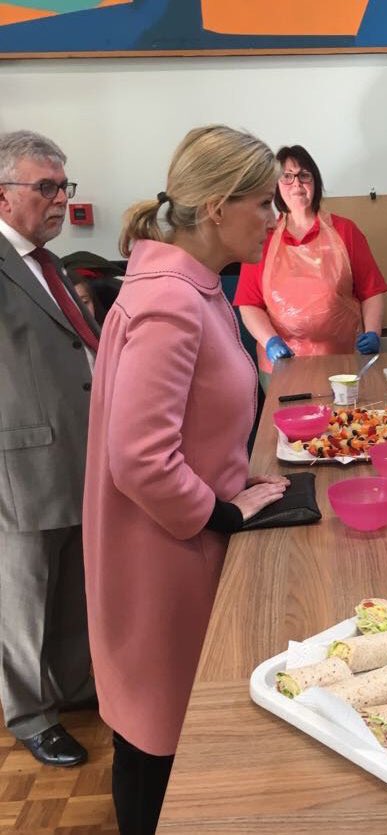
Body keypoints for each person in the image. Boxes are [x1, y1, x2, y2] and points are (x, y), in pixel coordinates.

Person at [82, 125, 289, 834]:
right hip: (162, 558)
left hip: (178, 542)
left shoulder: (192, 285)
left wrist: (241, 474)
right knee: (156, 743)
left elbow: (193, 421)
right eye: (264, 203)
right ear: (215, 208)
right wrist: (223, 510)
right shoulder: (171, 298)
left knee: (164, 735)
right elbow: (140, 455)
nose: (274, 219)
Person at [0, 130, 99, 768]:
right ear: (4, 196)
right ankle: (30, 714)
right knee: (25, 596)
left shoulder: (49, 262)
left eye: (64, 186)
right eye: (45, 188)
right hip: (20, 464)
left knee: (71, 586)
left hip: (76, 454)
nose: (60, 199)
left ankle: (73, 688)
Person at [234, 144, 387, 385]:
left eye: (304, 175)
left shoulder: (345, 231)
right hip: (281, 367)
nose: (297, 183)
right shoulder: (263, 238)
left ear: (315, 182)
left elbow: (372, 291)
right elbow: (249, 304)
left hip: (343, 362)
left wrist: (373, 332)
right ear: (275, 186)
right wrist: (270, 341)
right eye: (287, 176)